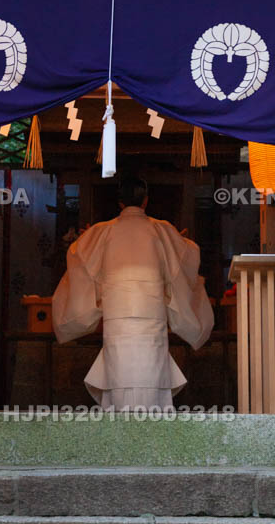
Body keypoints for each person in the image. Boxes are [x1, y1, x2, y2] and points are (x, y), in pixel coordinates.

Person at [52, 174, 213, 411]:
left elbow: (79, 260)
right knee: (152, 376)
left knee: (119, 377)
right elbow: (186, 259)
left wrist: (87, 238)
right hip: (152, 315)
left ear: (120, 203)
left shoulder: (101, 232)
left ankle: (119, 437)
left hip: (117, 317)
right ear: (145, 201)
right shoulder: (162, 230)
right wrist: (181, 241)